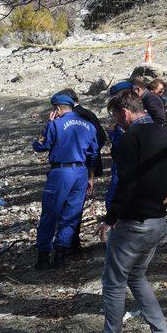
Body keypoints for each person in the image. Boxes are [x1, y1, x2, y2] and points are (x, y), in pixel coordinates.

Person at [83, 90, 167, 333]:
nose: (115, 123)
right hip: (158, 221)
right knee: (136, 276)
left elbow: (127, 183)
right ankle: (161, 332)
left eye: (115, 116)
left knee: (113, 282)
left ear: (125, 112)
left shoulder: (129, 139)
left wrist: (110, 218)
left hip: (133, 222)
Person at [33, 94, 98, 270]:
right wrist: (90, 177)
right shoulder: (89, 126)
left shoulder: (55, 124)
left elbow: (40, 146)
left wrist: (47, 126)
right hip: (81, 172)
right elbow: (93, 154)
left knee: (50, 214)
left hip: (61, 172)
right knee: (72, 214)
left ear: (57, 109)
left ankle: (43, 256)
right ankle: (60, 254)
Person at [57, 88, 108, 251]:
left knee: (71, 205)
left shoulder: (74, 116)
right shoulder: (88, 114)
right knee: (75, 205)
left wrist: (83, 155)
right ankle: (71, 242)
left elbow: (99, 138)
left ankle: (70, 244)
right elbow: (101, 137)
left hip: (76, 166)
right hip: (85, 165)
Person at [105, 81, 134, 211]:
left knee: (113, 196)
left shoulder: (130, 115)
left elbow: (122, 141)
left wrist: (112, 133)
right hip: (120, 161)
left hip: (124, 162)